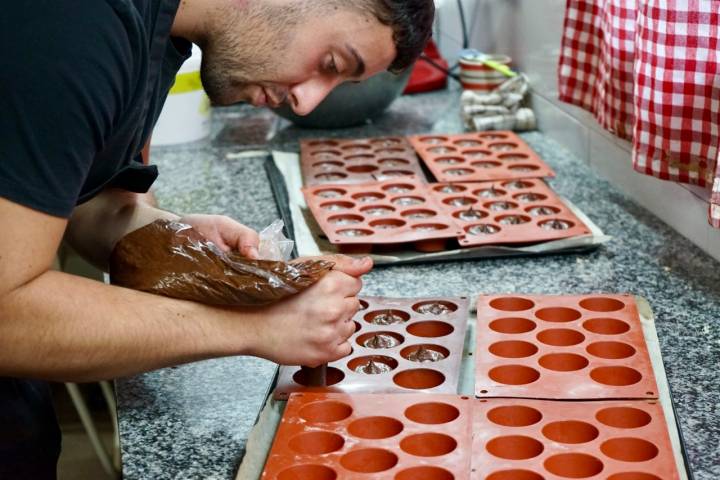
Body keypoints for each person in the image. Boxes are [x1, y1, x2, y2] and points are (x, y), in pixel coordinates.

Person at [0, 0, 434, 477]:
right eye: (330, 64)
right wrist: (254, 330)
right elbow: (7, 313)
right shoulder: (78, 26)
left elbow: (87, 202)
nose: (308, 102)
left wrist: (177, 242)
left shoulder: (160, 36)